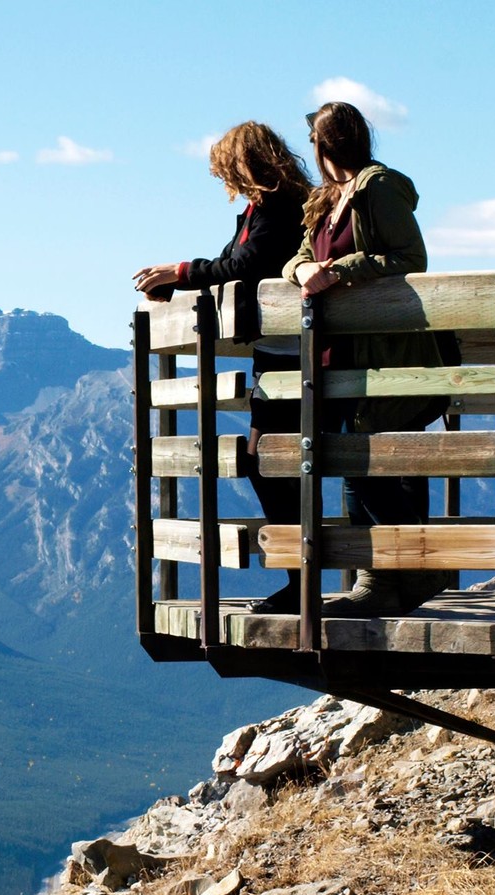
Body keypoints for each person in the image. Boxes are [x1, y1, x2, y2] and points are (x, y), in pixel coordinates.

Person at [133, 121, 311, 614]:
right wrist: (182, 281)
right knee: (270, 464)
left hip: (294, 359)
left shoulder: (280, 209)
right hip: (276, 357)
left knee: (269, 463)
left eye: (225, 172)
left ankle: (302, 583)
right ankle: (300, 579)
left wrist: (183, 272)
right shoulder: (266, 209)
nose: (224, 184)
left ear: (244, 165)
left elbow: (244, 265)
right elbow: (235, 260)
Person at [282, 101, 449, 617]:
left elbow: (410, 257)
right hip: (340, 353)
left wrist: (340, 270)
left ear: (324, 145)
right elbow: (298, 256)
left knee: (367, 467)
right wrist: (302, 272)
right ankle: (393, 581)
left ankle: (388, 579)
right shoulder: (328, 198)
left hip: (382, 354)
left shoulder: (379, 187)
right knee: (358, 465)